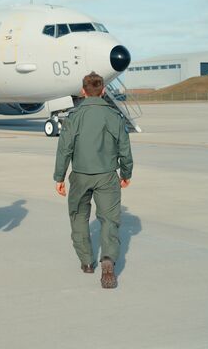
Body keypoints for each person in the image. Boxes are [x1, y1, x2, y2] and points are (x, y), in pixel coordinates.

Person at [53, 72, 133, 289]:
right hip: (107, 175)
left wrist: (59, 177)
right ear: (104, 90)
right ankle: (108, 260)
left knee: (79, 216)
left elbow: (64, 149)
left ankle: (87, 261)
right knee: (109, 220)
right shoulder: (115, 117)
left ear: (83, 91)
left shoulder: (74, 117)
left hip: (79, 176)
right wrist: (126, 173)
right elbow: (125, 149)